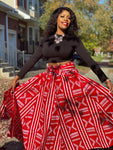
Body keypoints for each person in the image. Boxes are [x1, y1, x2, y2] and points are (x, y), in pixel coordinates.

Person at [1, 7, 113, 150]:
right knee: (49, 118)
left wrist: (105, 79)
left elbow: (89, 59)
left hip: (69, 80)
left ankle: (74, 143)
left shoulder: (73, 40)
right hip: (49, 81)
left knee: (70, 116)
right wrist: (17, 76)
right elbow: (33, 59)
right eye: (63, 16)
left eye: (68, 17)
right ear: (56, 19)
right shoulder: (46, 41)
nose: (66, 19)